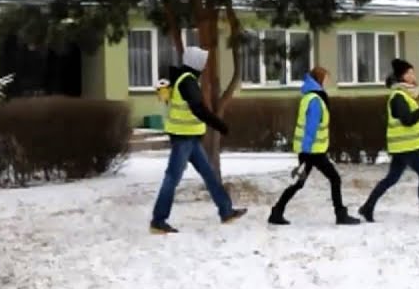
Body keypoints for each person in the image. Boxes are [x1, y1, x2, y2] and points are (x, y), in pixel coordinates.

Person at [149, 46, 247, 234]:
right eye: (203, 62)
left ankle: (226, 211)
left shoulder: (186, 79)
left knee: (209, 174)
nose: (204, 66)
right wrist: (220, 125)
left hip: (191, 138)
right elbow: (199, 109)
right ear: (197, 63)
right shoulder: (188, 82)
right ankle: (158, 220)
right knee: (172, 178)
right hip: (183, 139)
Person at [268, 67, 361, 226]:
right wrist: (306, 153)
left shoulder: (310, 97)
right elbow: (310, 128)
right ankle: (340, 214)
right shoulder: (316, 100)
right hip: (312, 152)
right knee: (334, 178)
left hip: (311, 151)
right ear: (319, 80)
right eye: (326, 79)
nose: (328, 82)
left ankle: (277, 212)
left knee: (299, 183)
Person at [357, 58, 419, 222]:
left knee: (392, 178)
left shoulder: (407, 95)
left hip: (406, 146)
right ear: (402, 77)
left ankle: (367, 207)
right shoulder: (399, 97)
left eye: (413, 72)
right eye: (409, 73)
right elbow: (407, 120)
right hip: (407, 147)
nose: (413, 75)